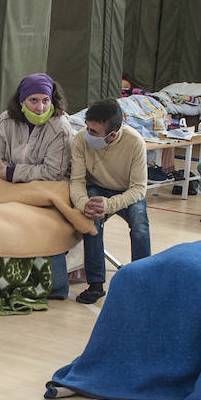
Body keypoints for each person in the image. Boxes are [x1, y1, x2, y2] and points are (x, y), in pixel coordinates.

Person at [0, 73, 73, 299]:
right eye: (33, 100)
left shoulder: (60, 127)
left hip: (49, 186)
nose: (40, 107)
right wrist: (10, 174)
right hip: (8, 183)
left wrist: (12, 172)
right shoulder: (6, 120)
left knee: (46, 222)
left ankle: (53, 285)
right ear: (21, 101)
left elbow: (53, 172)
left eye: (45, 100)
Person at [70, 97, 151, 304]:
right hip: (96, 188)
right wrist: (84, 204)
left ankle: (143, 281)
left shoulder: (135, 143)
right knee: (92, 223)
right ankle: (95, 285)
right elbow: (77, 181)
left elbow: (139, 189)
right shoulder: (80, 140)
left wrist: (109, 205)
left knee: (140, 225)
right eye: (87, 127)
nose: (87, 134)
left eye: (94, 131)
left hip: (127, 191)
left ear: (112, 134)